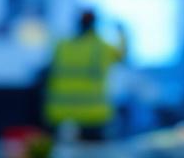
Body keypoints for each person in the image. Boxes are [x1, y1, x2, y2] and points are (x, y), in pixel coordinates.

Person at [44, 9, 127, 141]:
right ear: (95, 24)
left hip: (61, 114)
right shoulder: (102, 48)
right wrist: (122, 31)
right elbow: (123, 56)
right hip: (94, 114)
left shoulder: (62, 46)